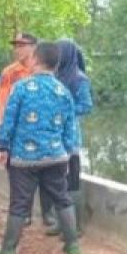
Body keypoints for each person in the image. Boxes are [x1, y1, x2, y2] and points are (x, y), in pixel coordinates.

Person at [0, 41, 82, 254]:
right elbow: (70, 127)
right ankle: (72, 246)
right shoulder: (64, 91)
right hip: (56, 157)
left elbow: (9, 121)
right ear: (56, 64)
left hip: (24, 159)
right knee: (62, 199)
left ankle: (8, 250)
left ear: (34, 60)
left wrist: (2, 147)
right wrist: (68, 153)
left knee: (19, 203)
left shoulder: (21, 87)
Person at [41, 38, 94, 235]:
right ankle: (60, 223)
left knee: (71, 183)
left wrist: (64, 111)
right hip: (53, 140)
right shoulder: (54, 77)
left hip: (69, 139)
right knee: (56, 183)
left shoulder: (79, 79)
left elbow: (86, 106)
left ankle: (75, 226)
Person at [0, 32, 37, 128]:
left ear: (33, 47)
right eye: (16, 47)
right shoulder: (9, 72)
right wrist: (2, 126)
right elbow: (2, 102)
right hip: (17, 126)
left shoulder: (42, 70)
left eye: (21, 46)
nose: (17, 50)